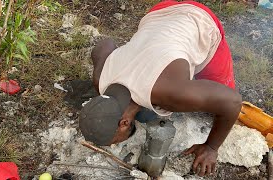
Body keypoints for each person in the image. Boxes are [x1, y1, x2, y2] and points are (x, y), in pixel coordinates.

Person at [79, 0, 242, 177]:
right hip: (158, 12)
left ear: (124, 123)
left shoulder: (172, 95)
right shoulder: (101, 79)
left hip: (199, 18)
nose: (113, 144)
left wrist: (211, 147)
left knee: (221, 96)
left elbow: (233, 102)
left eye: (112, 141)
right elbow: (105, 45)